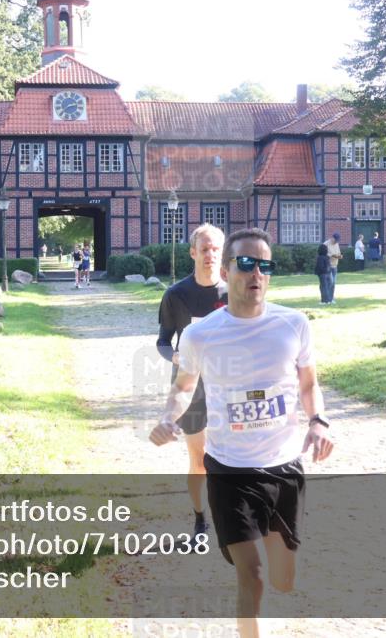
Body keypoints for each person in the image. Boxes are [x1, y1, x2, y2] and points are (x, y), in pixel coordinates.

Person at [150, 227, 334, 638]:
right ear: (228, 269)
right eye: (246, 263)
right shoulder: (201, 334)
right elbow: (182, 388)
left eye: (264, 265)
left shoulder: (294, 324)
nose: (256, 273)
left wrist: (318, 422)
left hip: (285, 468)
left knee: (284, 579)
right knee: (251, 575)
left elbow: (308, 385)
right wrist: (168, 418)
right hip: (229, 469)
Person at [155, 223, 228, 544]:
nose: (210, 255)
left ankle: (233, 514)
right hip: (190, 386)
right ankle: (201, 520)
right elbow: (162, 341)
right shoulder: (176, 295)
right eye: (205, 249)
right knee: (199, 458)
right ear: (193, 252)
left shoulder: (234, 292)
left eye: (216, 249)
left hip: (229, 384)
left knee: (231, 457)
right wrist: (173, 357)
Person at [322, 232, 342, 305]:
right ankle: (327, 298)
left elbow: (338, 253)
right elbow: (323, 255)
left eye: (338, 240)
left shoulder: (337, 244)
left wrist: (339, 256)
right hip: (328, 266)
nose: (337, 241)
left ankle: (331, 298)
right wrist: (332, 255)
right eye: (336, 240)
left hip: (335, 266)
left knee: (333, 283)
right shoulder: (325, 244)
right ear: (332, 238)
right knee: (330, 282)